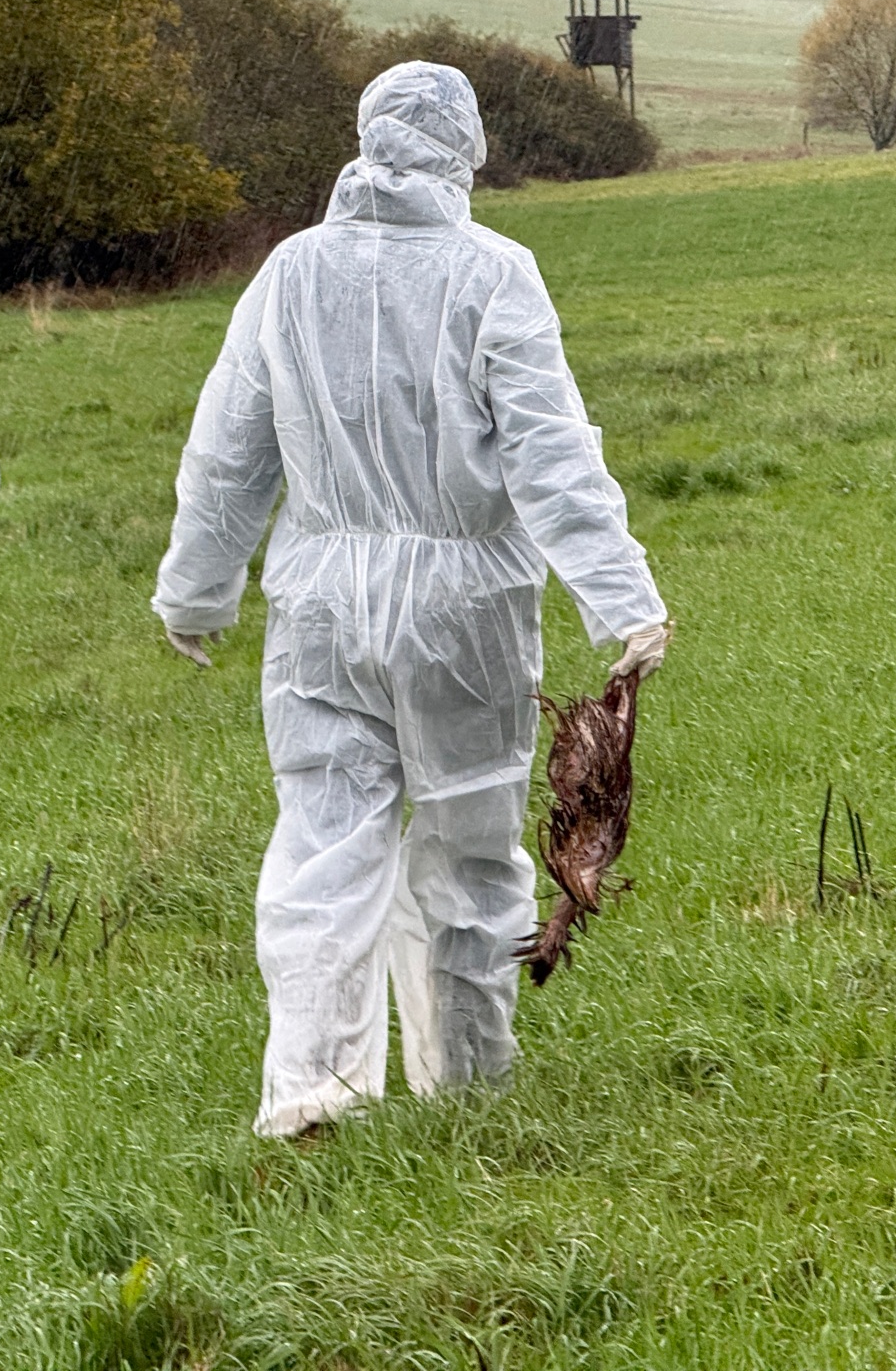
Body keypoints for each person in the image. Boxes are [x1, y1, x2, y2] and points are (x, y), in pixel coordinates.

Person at [152, 62, 671, 1138]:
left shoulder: (292, 273)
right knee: (469, 845)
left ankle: (312, 1089)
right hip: (464, 610)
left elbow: (229, 450)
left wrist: (194, 592)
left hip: (321, 606)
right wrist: (622, 598)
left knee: (324, 843)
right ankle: (467, 1088)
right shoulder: (493, 273)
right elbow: (550, 454)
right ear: (464, 150)